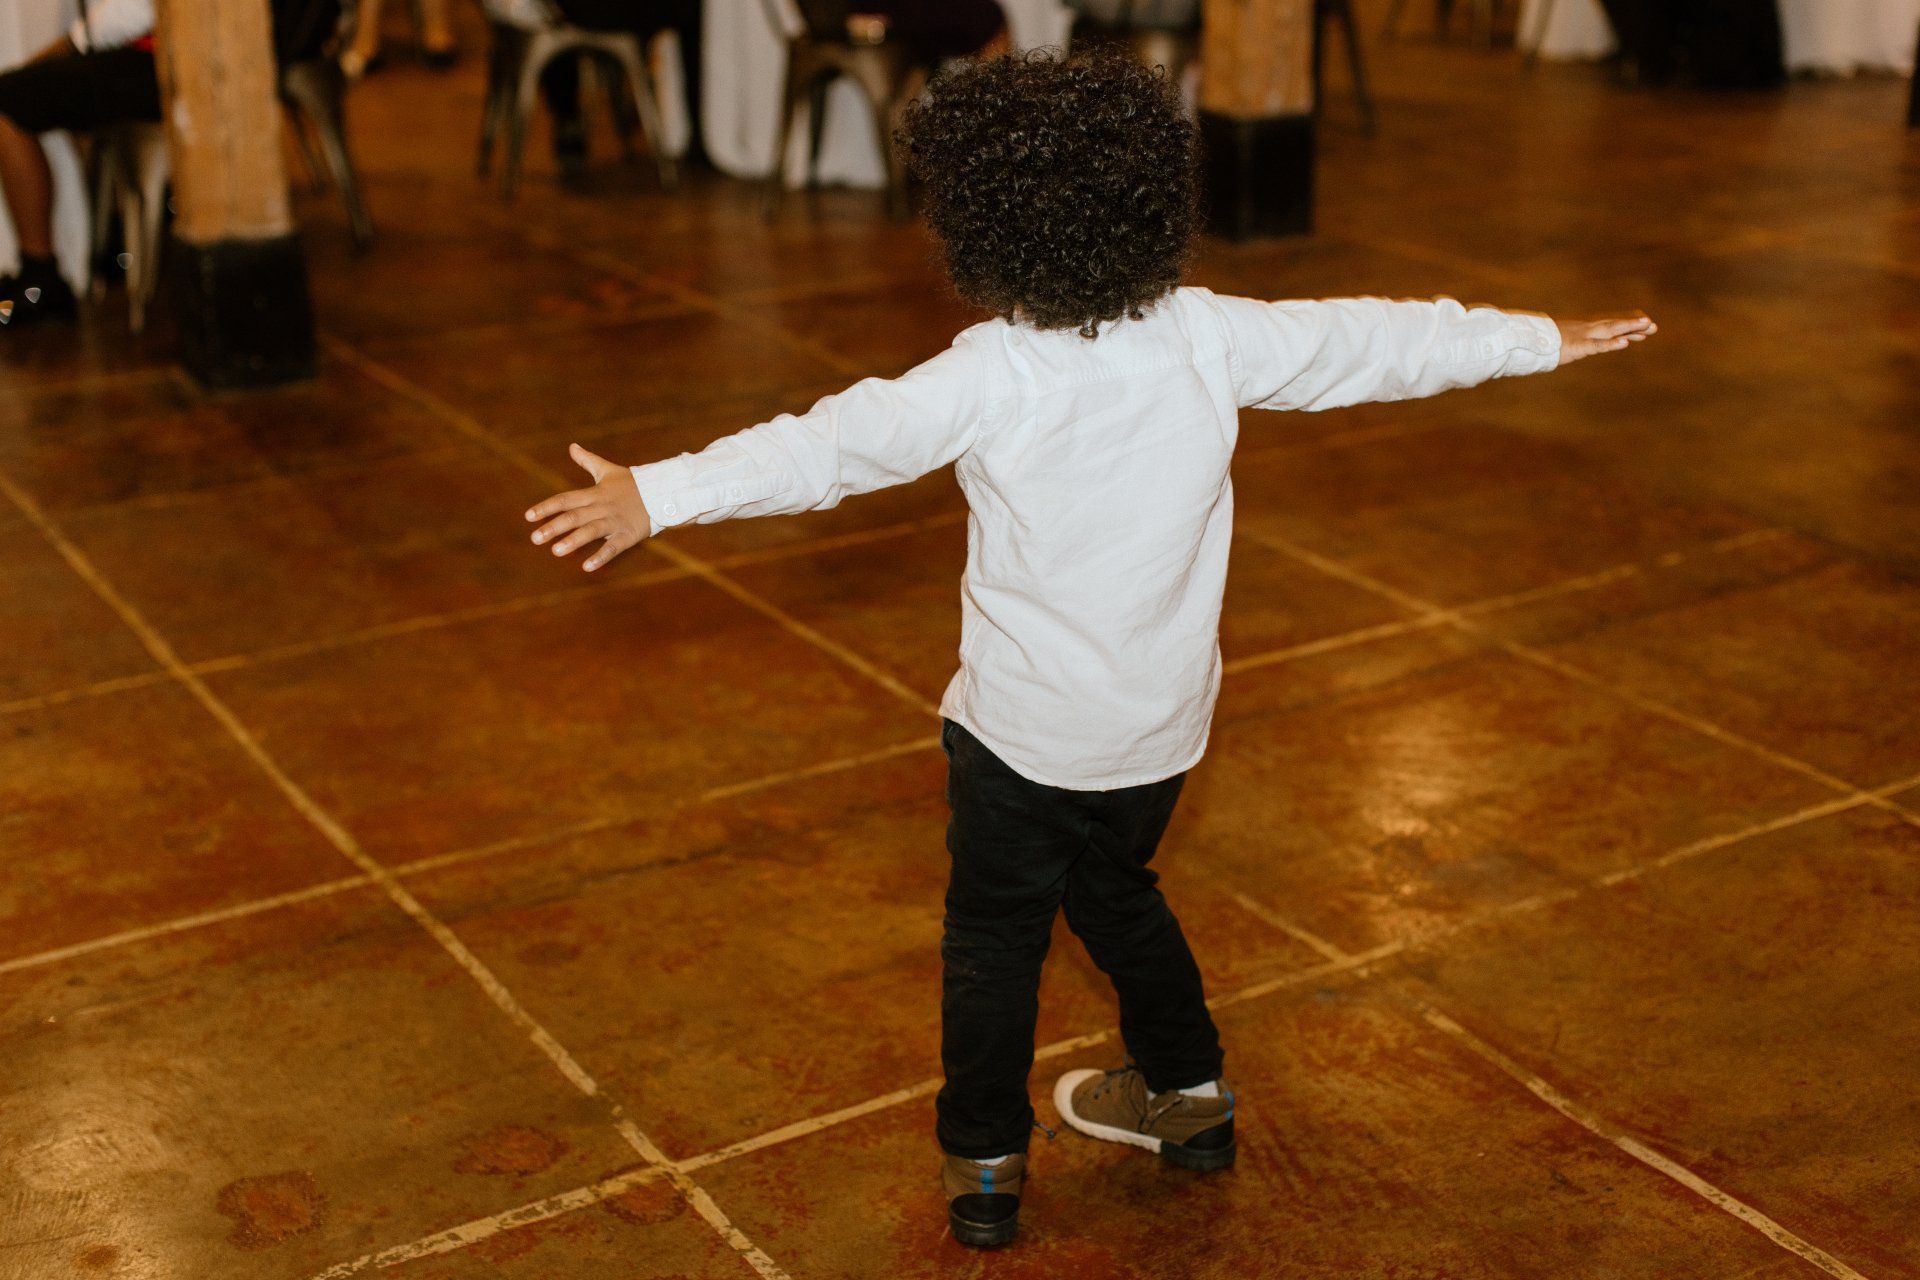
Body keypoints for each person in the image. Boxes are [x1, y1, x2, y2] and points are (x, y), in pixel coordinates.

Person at [521, 50, 1654, 1249]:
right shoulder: (1213, 337)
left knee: (994, 942)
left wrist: (659, 492)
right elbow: (1378, 342)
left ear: (983, 222)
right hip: (1159, 732)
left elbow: (827, 447)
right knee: (1117, 893)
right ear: (1149, 198)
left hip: (1019, 737)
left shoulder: (991, 372)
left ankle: (986, 1165)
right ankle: (1190, 1095)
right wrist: (1540, 336)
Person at [0, 0, 339, 328]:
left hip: (193, 59)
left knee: (9, 99)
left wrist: (61, 49)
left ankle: (39, 277)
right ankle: (117, 240)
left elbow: (131, 12)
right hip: (278, 39)